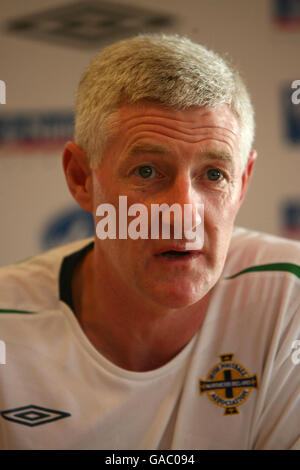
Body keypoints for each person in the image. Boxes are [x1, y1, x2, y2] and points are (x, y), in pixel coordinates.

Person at [0, 33, 299, 450]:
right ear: (81, 178)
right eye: (146, 172)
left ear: (243, 181)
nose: (183, 213)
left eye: (214, 174)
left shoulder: (291, 297)